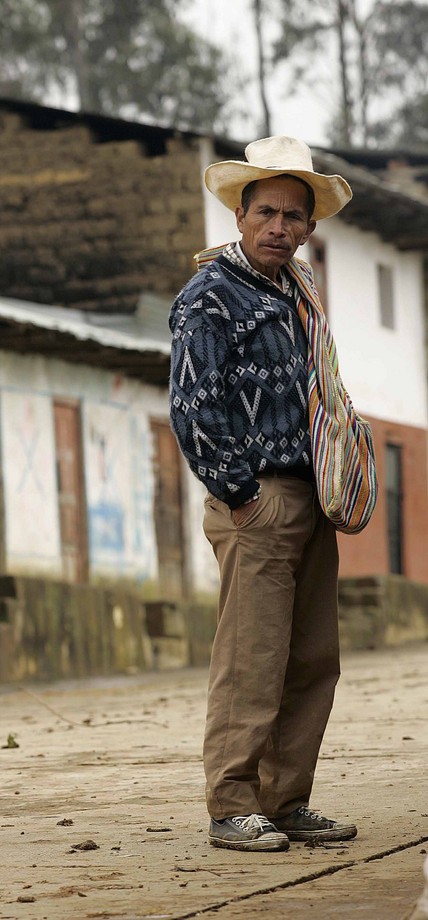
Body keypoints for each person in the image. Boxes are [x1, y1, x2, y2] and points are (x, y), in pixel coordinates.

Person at [169, 136, 368, 852]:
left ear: (310, 227)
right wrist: (239, 494)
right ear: (240, 216)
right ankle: (231, 804)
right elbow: (194, 404)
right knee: (251, 659)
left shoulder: (299, 292)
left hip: (310, 496)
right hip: (256, 501)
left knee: (312, 658)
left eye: (294, 215)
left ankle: (286, 802)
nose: (280, 226)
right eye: (267, 212)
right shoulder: (208, 297)